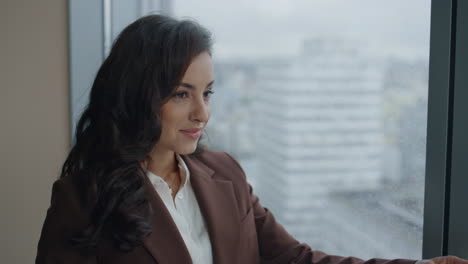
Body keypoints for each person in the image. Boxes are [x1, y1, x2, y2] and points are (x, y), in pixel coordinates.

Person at [35, 14, 467, 264]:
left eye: (207, 93)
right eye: (182, 94)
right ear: (138, 94)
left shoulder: (224, 173)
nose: (202, 113)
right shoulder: (83, 198)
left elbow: (297, 260)